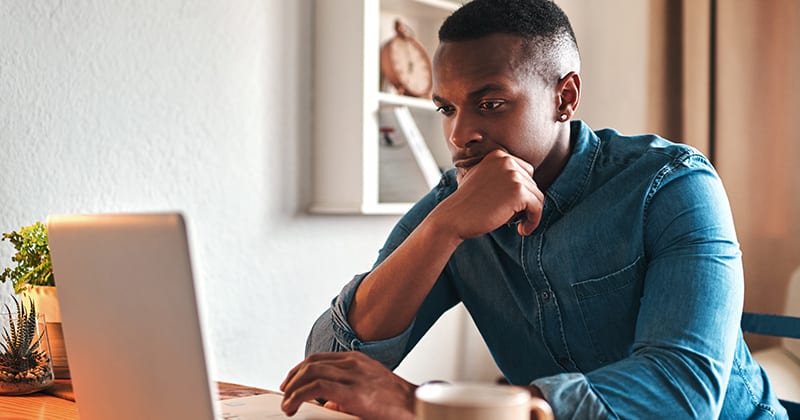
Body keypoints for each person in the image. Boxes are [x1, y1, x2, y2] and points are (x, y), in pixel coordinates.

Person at [280, 0, 788, 418]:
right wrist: (442, 229)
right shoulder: (453, 204)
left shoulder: (671, 184)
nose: (459, 135)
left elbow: (684, 390)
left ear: (564, 97)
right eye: (446, 108)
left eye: (491, 103)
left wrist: (427, 404)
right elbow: (331, 368)